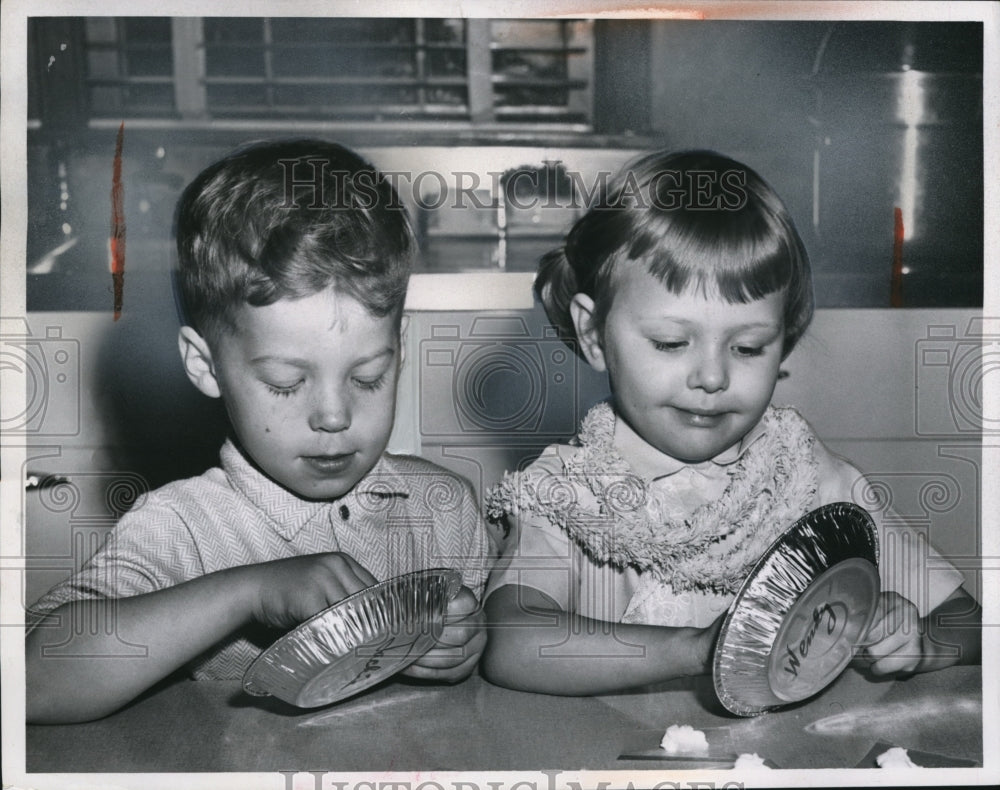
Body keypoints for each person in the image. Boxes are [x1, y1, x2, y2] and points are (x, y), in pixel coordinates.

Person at [26, 139, 497, 723]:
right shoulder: (181, 528)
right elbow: (31, 681)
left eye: (369, 376)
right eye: (284, 383)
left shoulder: (444, 507)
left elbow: (493, 667)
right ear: (205, 366)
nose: (333, 415)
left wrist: (466, 645)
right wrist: (248, 590)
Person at [480, 149, 981, 695]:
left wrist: (921, 644)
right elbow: (511, 642)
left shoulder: (807, 476)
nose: (713, 377)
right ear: (594, 334)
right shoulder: (564, 492)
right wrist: (699, 650)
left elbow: (968, 619)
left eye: (747, 347)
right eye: (672, 342)